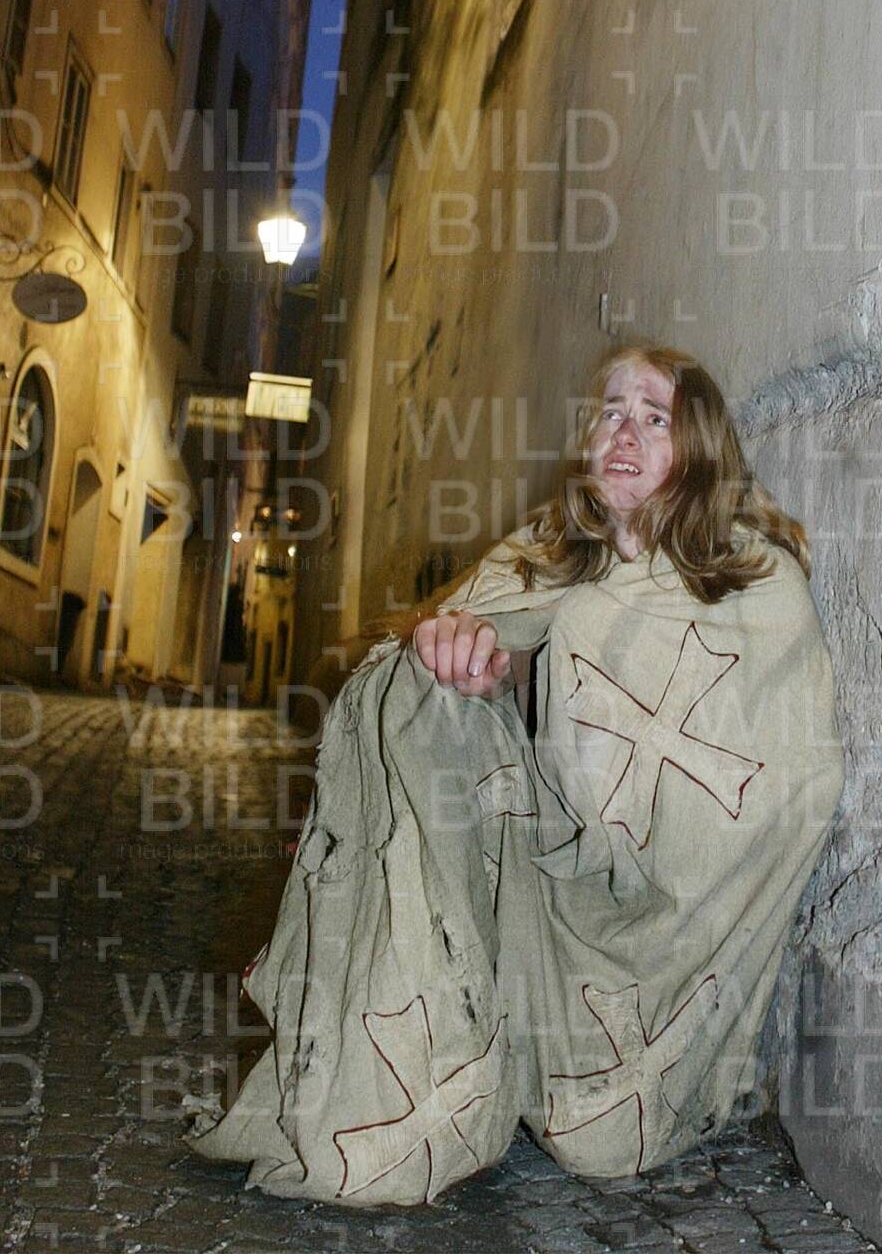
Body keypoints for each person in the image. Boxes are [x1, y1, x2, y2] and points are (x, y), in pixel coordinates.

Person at [186, 340, 844, 1208]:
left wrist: (634, 811)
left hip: (666, 933)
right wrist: (474, 673)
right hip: (539, 881)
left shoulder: (753, 585)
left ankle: (612, 1061)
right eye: (610, 412)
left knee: (599, 1144)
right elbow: (495, 667)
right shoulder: (542, 557)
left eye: (655, 418)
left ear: (700, 447)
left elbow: (793, 785)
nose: (624, 433)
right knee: (416, 694)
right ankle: (434, 1073)